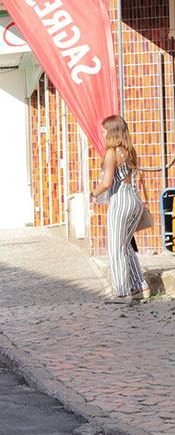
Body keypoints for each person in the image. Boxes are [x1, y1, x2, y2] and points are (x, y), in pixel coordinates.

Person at [90, 115, 149, 304]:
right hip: (134, 199)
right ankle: (140, 286)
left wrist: (92, 194)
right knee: (126, 245)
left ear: (113, 132)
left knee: (115, 247)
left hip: (120, 200)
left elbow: (107, 182)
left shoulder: (111, 153)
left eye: (105, 130)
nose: (103, 132)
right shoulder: (129, 151)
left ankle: (122, 293)